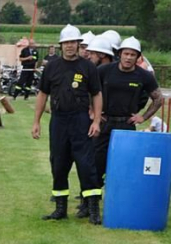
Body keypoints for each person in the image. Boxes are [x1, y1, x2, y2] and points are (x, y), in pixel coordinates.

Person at [31, 24, 102, 224]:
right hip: (59, 120)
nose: (70, 46)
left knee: (86, 164)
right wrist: (36, 121)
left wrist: (96, 120)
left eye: (73, 42)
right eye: (66, 43)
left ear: (79, 44)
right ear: (61, 45)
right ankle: (60, 208)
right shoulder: (52, 67)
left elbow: (96, 94)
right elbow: (42, 94)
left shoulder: (88, 66)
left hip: (81, 120)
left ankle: (93, 209)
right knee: (58, 162)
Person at [93, 36, 163, 220]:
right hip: (104, 123)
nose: (129, 58)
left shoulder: (144, 76)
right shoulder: (104, 71)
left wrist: (143, 117)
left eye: (133, 55)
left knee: (123, 165)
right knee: (96, 163)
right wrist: (93, 112)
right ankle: (90, 204)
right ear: (120, 54)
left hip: (126, 125)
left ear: (138, 57)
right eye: (126, 54)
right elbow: (89, 91)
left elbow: (158, 98)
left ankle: (120, 201)